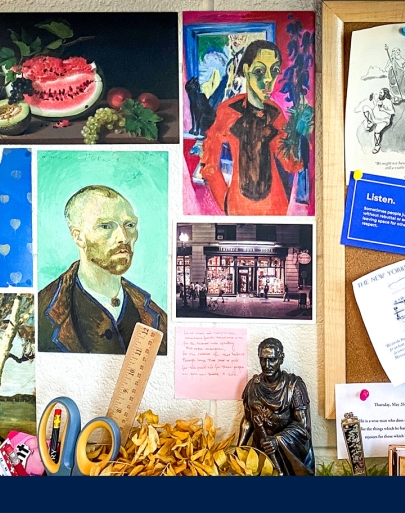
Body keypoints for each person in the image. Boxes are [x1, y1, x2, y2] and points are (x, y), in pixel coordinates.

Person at [38, 185, 168, 354]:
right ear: (78, 237)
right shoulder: (43, 311)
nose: (124, 237)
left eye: (129, 224)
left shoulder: (156, 315)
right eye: (106, 226)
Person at [200, 40, 304, 216]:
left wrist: (300, 135)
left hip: (276, 207)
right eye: (259, 71)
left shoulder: (275, 112)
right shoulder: (228, 111)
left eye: (274, 71)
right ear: (246, 70)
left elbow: (291, 164)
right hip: (237, 207)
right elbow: (209, 166)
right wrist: (225, 204)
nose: (268, 80)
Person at [238, 338, 314, 475]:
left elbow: (303, 427)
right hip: (260, 455)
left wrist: (277, 440)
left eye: (272, 359)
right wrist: (238, 450)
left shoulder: (294, 387)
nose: (267, 365)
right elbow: (248, 420)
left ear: (281, 359)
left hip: (287, 457)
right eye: (263, 359)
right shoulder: (252, 387)